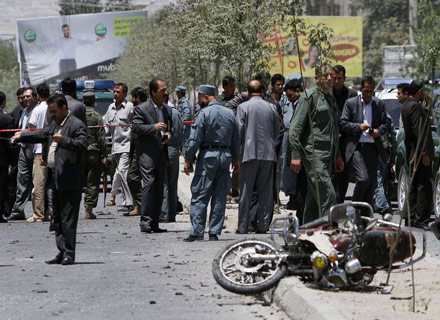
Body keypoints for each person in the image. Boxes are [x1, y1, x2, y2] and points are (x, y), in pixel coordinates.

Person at [11, 93, 88, 265]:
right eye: (50, 112)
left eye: (54, 112)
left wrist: (64, 140)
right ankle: (61, 251)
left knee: (68, 219)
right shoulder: (55, 124)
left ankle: (69, 253)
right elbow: (41, 135)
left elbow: (83, 145)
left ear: (63, 108)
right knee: (58, 219)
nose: (51, 115)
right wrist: (21, 136)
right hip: (56, 179)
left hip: (71, 180)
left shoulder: (76, 125)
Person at [183, 85, 240, 241]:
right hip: (226, 156)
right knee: (220, 195)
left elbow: (195, 139)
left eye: (200, 97)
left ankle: (197, 231)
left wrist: (188, 158)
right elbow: (236, 138)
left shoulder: (204, 113)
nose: (199, 101)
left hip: (208, 156)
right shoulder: (230, 113)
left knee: (200, 193)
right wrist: (236, 159)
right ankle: (214, 232)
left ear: (206, 97)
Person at [290, 66, 344, 223]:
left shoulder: (330, 99)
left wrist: (338, 155)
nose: (329, 79)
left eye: (332, 76)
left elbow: (333, 129)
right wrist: (295, 155)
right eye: (326, 75)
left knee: (315, 199)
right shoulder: (310, 97)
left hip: (328, 156)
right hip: (314, 155)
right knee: (328, 194)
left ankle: (306, 233)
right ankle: (329, 231)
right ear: (317, 77)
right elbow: (294, 129)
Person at [236, 80, 280, 234]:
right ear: (262, 91)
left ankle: (242, 226)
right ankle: (263, 226)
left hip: (248, 154)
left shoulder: (242, 107)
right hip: (268, 155)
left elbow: (239, 132)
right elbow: (277, 131)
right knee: (266, 193)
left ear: (248, 92)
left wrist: (237, 154)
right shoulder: (271, 107)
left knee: (246, 192)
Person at [132, 78, 173, 233]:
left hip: (161, 152)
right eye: (163, 90)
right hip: (146, 153)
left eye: (166, 90)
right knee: (149, 183)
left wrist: (169, 135)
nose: (166, 93)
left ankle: (155, 223)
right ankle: (145, 222)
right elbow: (136, 127)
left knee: (159, 186)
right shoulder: (141, 109)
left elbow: (171, 128)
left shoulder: (167, 110)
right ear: (154, 92)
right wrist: (154, 127)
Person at [340, 76, 388, 207]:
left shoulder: (379, 104)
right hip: (357, 148)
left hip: (372, 148)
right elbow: (343, 123)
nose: (369, 94)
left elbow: (385, 124)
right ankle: (352, 209)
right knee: (363, 179)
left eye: (371, 91)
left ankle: (364, 216)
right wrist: (358, 127)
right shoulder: (351, 103)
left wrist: (378, 131)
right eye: (366, 91)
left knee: (371, 184)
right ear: (361, 89)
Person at [401, 80, 434, 228]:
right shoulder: (413, 106)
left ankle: (411, 217)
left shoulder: (408, 104)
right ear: (419, 91)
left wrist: (428, 105)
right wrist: (425, 153)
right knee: (423, 186)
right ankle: (420, 220)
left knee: (414, 185)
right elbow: (418, 131)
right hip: (419, 153)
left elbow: (422, 118)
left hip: (413, 152)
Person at [330, 65, 358, 203]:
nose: (336, 81)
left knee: (343, 177)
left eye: (339, 78)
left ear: (344, 78)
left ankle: (338, 205)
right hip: (330, 140)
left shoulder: (351, 95)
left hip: (346, 140)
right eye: (334, 78)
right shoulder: (327, 94)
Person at [8, 87, 37, 221]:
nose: (25, 99)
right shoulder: (23, 112)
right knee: (22, 180)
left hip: (36, 149)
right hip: (24, 148)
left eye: (28, 96)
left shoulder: (38, 111)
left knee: (38, 182)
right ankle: (18, 210)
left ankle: (41, 211)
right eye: (24, 97)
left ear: (35, 97)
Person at [104, 83, 134, 209]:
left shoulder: (129, 107)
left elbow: (135, 125)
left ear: (125, 94)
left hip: (126, 146)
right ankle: (114, 196)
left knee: (122, 172)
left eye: (118, 92)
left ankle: (130, 202)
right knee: (118, 173)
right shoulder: (111, 107)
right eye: (114, 92)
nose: (115, 94)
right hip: (114, 147)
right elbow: (105, 125)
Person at [281, 79, 306, 219]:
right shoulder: (291, 104)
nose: (289, 99)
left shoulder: (303, 104)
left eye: (291, 96)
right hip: (291, 147)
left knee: (303, 186)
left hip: (301, 151)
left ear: (298, 91)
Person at [27, 83, 50, 222]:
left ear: (38, 95)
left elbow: (31, 129)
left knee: (39, 185)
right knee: (50, 184)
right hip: (52, 149)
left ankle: (38, 214)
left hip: (39, 151)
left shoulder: (37, 110)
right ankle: (48, 212)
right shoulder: (53, 107)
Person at [83, 91, 108, 219]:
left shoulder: (77, 116)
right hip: (93, 152)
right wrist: (105, 154)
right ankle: (88, 209)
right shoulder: (97, 116)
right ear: (93, 101)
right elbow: (101, 138)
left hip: (79, 151)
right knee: (92, 182)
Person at [124, 87, 147, 217]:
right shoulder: (138, 110)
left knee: (132, 177)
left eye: (133, 97)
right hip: (137, 148)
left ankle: (142, 204)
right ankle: (141, 205)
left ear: (137, 98)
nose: (131, 100)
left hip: (143, 149)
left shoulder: (143, 109)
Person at [160, 94, 183, 223]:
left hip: (165, 149)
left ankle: (164, 214)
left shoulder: (164, 112)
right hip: (174, 150)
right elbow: (180, 133)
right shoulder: (176, 112)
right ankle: (171, 214)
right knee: (173, 183)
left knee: (164, 183)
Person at [6, 88, 26, 217]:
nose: (21, 100)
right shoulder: (16, 111)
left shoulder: (34, 110)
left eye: (23, 97)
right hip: (17, 149)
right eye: (19, 98)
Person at [0, 92, 14, 223]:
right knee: (2, 186)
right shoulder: (7, 119)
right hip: (2, 159)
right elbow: (10, 143)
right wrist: (13, 161)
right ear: (3, 102)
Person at [176, 86, 193, 155]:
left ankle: (188, 164)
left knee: (185, 147)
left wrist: (181, 123)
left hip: (185, 129)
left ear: (180, 93)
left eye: (177, 92)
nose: (176, 94)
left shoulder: (184, 102)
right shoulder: (182, 102)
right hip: (184, 129)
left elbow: (187, 114)